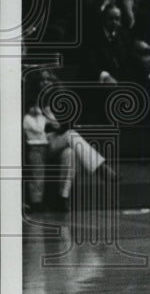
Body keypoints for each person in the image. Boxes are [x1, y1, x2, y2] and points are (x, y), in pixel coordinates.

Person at [23, 68, 115, 212]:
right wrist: (47, 123)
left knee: (70, 153)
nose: (46, 83)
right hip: (36, 146)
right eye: (42, 80)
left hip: (53, 143)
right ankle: (100, 168)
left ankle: (63, 199)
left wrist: (58, 124)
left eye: (48, 79)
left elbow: (67, 124)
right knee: (72, 135)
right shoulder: (28, 100)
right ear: (36, 83)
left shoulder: (58, 98)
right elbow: (30, 126)